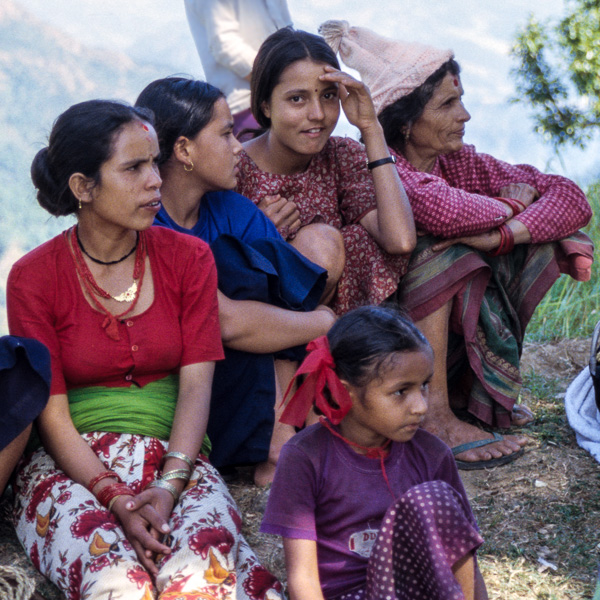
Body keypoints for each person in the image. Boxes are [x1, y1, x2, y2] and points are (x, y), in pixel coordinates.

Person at [6, 100, 284, 600]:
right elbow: (53, 416)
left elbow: (198, 383)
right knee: (118, 583)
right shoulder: (34, 277)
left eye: (154, 162)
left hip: (174, 458)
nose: (156, 180)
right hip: (73, 465)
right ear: (82, 187)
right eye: (134, 168)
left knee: (201, 580)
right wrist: (114, 497)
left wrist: (171, 483)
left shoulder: (188, 258)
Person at [319, 20, 594, 469]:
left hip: (421, 342)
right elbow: (441, 212)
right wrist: (510, 205)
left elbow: (569, 197)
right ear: (406, 123)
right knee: (441, 250)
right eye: (448, 103)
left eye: (460, 100)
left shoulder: (460, 162)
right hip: (375, 347)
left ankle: (476, 395)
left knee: (549, 236)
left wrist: (507, 233)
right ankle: (437, 416)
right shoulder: (380, 168)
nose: (464, 115)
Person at [135, 76, 335, 485]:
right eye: (226, 134)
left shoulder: (233, 211)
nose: (238, 147)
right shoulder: (145, 224)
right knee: (227, 263)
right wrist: (327, 322)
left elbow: (289, 299)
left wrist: (303, 320)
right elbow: (225, 322)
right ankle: (280, 440)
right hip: (181, 402)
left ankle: (288, 434)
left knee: (260, 266)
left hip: (238, 396)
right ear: (184, 150)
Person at [262, 305, 488, 600]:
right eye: (401, 391)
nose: (420, 406)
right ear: (347, 391)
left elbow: (463, 554)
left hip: (416, 592)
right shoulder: (305, 456)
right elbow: (301, 577)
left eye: (424, 386)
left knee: (433, 499)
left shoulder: (433, 454)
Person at [236, 27, 416, 316]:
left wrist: (371, 128)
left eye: (329, 96)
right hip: (261, 325)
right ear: (266, 105)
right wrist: (258, 233)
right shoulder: (234, 169)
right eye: (297, 99)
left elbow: (400, 240)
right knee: (320, 243)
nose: (317, 114)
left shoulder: (341, 158)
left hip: (339, 329)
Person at [184, 0, 292, 137]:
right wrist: (277, 80)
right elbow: (225, 46)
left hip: (279, 94)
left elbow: (286, 29)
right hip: (247, 102)